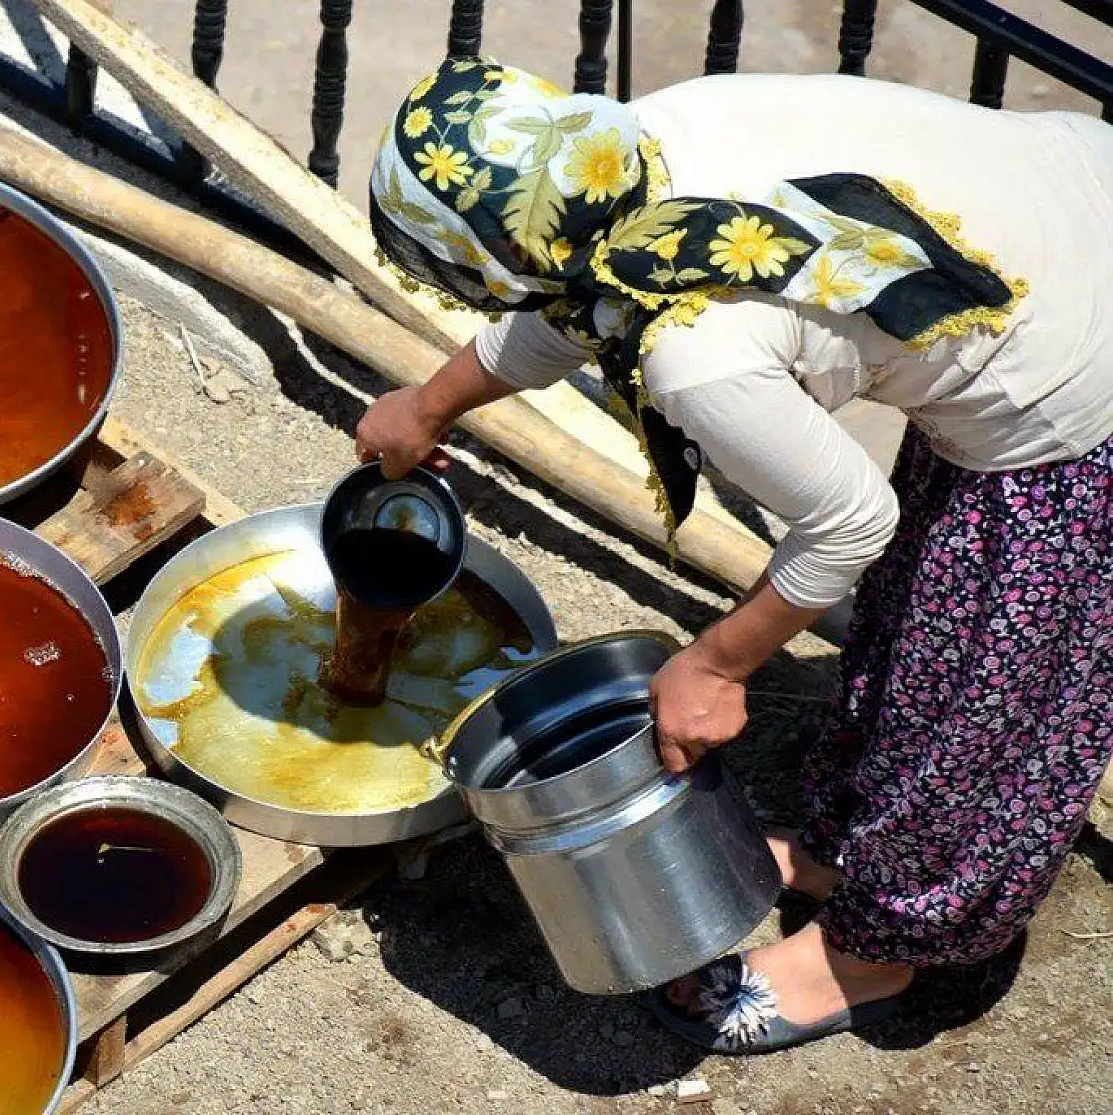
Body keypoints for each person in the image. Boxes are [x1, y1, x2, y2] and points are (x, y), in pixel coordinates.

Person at [355, 57, 1113, 1053]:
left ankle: (876, 951)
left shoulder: (694, 348)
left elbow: (849, 523)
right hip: (1072, 220)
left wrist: (715, 662)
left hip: (1078, 390)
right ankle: (854, 850)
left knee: (984, 693)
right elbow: (571, 307)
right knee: (921, 628)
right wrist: (427, 405)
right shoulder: (630, 152)